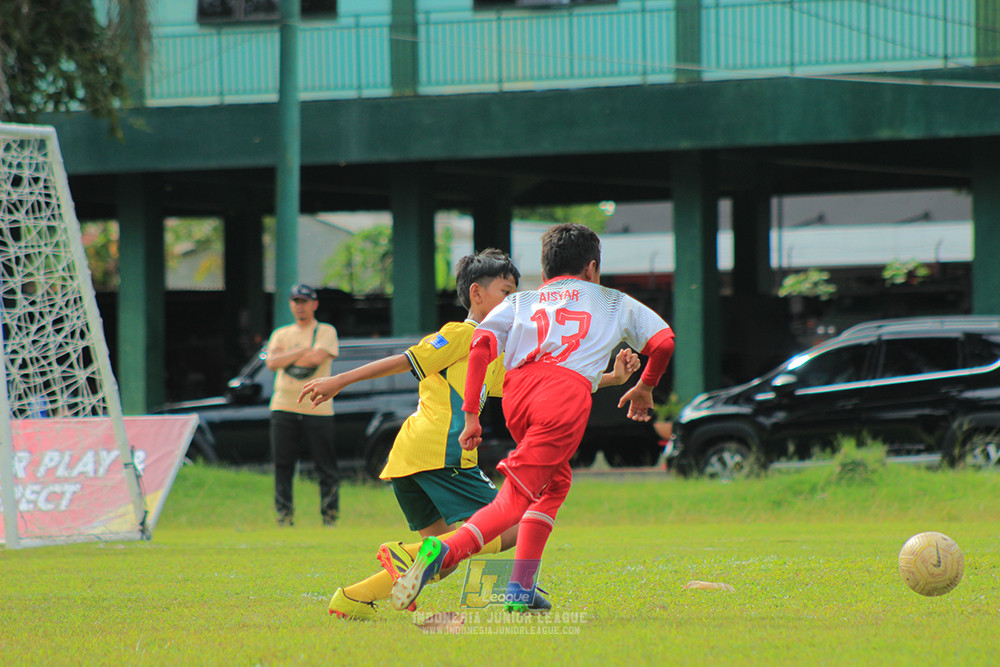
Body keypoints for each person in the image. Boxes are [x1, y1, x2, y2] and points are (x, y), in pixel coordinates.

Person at [297, 249, 641, 619]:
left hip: (410, 458)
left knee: (446, 561)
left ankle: (352, 598)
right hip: (442, 452)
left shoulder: (496, 349)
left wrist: (612, 379)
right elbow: (404, 360)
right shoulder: (462, 334)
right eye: (507, 293)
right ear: (477, 294)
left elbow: (547, 384)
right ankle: (447, 565)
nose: (516, 303)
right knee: (508, 525)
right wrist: (339, 380)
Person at [391, 223, 676, 614]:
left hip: (519, 396)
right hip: (562, 398)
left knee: (554, 485)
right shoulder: (612, 300)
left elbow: (481, 347)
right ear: (592, 268)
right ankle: (442, 552)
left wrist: (472, 415)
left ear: (545, 273)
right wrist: (645, 386)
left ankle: (522, 588)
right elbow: (663, 342)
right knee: (514, 499)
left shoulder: (520, 301)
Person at [265, 283, 341, 527]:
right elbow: (271, 362)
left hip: (317, 408)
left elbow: (317, 358)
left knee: (325, 465)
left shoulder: (325, 331)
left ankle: (329, 516)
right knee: (283, 464)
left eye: (305, 302)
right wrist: (300, 351)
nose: (300, 307)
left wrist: (287, 356)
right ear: (290, 304)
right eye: (296, 302)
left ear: (314, 304)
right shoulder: (281, 333)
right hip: (283, 407)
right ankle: (284, 516)